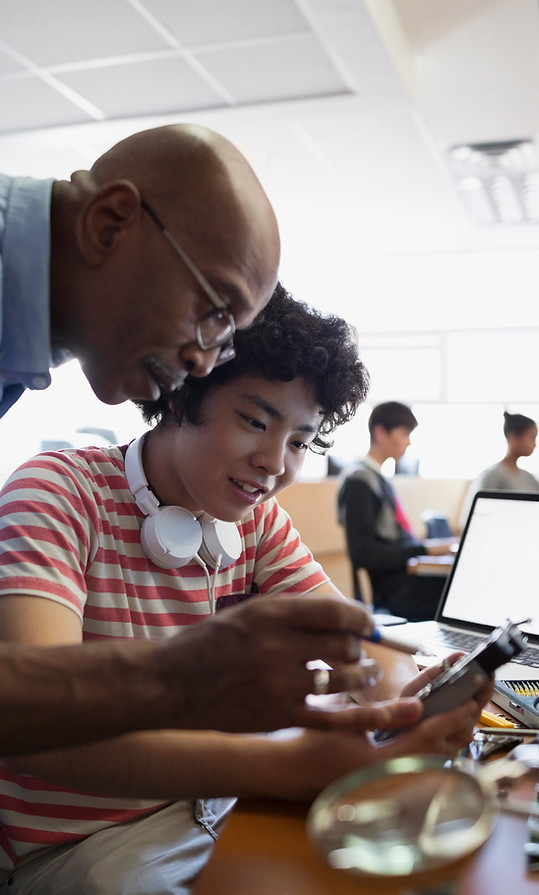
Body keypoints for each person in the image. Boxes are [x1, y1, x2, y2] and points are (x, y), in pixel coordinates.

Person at [0, 288, 486, 894]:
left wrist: (410, 703)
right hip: (84, 844)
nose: (275, 464)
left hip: (222, 803)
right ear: (180, 393)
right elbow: (39, 730)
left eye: (300, 442)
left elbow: (353, 638)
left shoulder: (251, 518)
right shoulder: (56, 493)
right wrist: (283, 769)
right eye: (255, 422)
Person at [0, 124, 382, 753]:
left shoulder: (16, 361)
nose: (204, 362)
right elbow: (34, 726)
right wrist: (191, 681)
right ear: (109, 223)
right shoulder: (60, 491)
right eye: (214, 308)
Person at [338, 401, 453, 620]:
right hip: (396, 592)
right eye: (404, 433)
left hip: (406, 579)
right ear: (381, 432)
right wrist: (425, 550)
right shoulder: (359, 482)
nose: (408, 442)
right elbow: (363, 552)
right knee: (457, 589)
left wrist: (427, 548)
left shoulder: (378, 479)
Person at [459, 410, 539, 530]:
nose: (535, 444)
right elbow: (469, 520)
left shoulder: (529, 477)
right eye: (532, 438)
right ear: (513, 438)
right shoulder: (493, 475)